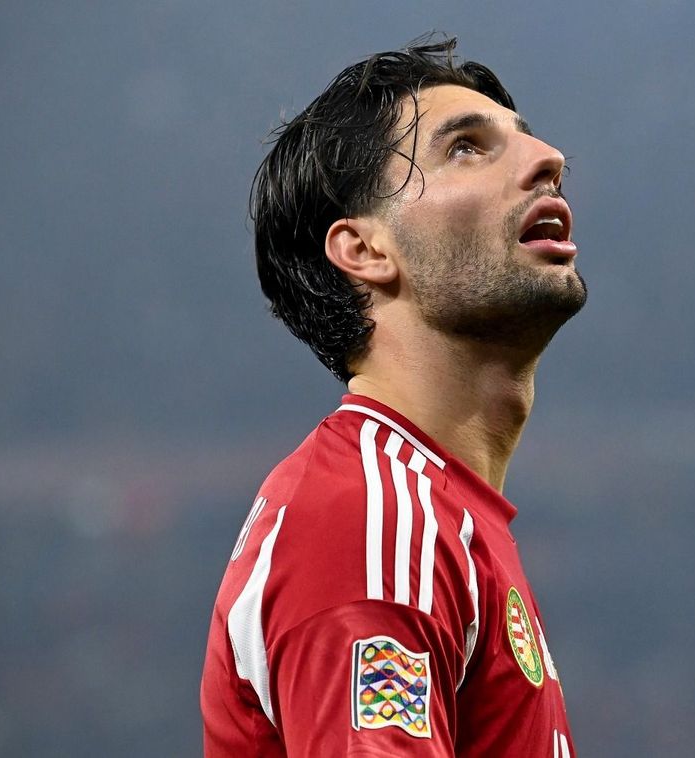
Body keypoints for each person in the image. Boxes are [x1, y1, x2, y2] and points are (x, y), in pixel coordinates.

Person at [200, 37, 584, 757]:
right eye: (466, 148)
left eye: (526, 137)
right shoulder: (370, 523)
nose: (549, 158)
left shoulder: (429, 515)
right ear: (366, 251)